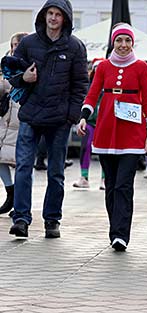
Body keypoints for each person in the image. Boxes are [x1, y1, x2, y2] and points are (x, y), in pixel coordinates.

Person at [8, 0, 88, 238]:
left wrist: (71, 116)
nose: (53, 18)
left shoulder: (75, 47)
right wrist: (24, 78)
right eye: (49, 13)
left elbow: (80, 84)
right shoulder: (28, 43)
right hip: (31, 115)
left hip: (59, 120)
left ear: (66, 19)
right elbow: (11, 73)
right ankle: (21, 219)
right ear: (44, 16)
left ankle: (52, 220)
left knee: (55, 172)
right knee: (23, 167)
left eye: (58, 14)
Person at [77, 23, 147, 251]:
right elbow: (92, 95)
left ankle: (122, 234)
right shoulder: (102, 67)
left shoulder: (141, 67)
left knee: (123, 185)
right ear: (113, 42)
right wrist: (83, 116)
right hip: (106, 131)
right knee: (110, 186)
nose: (123, 45)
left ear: (132, 43)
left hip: (132, 134)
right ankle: (114, 231)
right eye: (119, 41)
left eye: (127, 41)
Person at [0, 32, 28, 216]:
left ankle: (20, 201)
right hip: (4, 122)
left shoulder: (30, 66)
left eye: (19, 44)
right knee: (1, 159)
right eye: (13, 44)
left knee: (22, 164)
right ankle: (10, 193)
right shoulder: (5, 67)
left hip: (22, 121)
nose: (15, 47)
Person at [72, 58, 105, 190]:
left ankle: (105, 179)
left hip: (104, 124)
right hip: (90, 122)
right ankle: (84, 177)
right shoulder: (88, 87)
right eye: (95, 70)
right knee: (86, 147)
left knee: (104, 151)